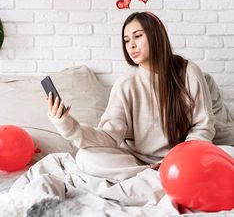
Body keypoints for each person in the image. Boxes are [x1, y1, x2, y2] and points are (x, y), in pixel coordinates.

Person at [48, 11, 234, 182]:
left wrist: (176, 160)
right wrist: (68, 125)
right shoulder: (126, 84)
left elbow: (202, 127)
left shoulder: (189, 72)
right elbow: (109, 136)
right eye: (127, 40)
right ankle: (154, 177)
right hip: (140, 163)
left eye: (137, 36)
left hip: (183, 159)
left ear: (156, 36)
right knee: (86, 157)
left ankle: (162, 178)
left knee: (228, 155)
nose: (132, 45)